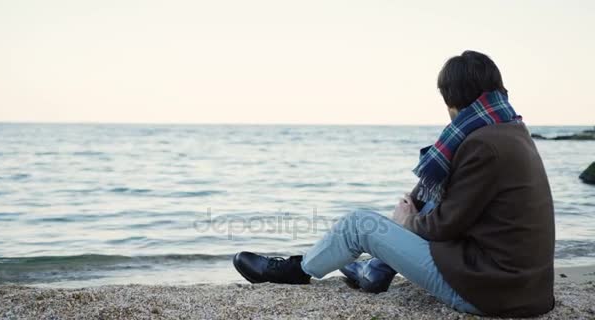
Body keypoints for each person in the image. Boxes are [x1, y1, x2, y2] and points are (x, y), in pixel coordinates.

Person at [232, 50, 555, 318]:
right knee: (425, 197)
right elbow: (461, 210)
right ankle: (376, 270)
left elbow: (444, 227)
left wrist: (405, 221)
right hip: (523, 287)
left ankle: (296, 271)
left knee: (359, 224)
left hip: (491, 292)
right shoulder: (510, 130)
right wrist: (416, 211)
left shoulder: (482, 145)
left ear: (449, 97)